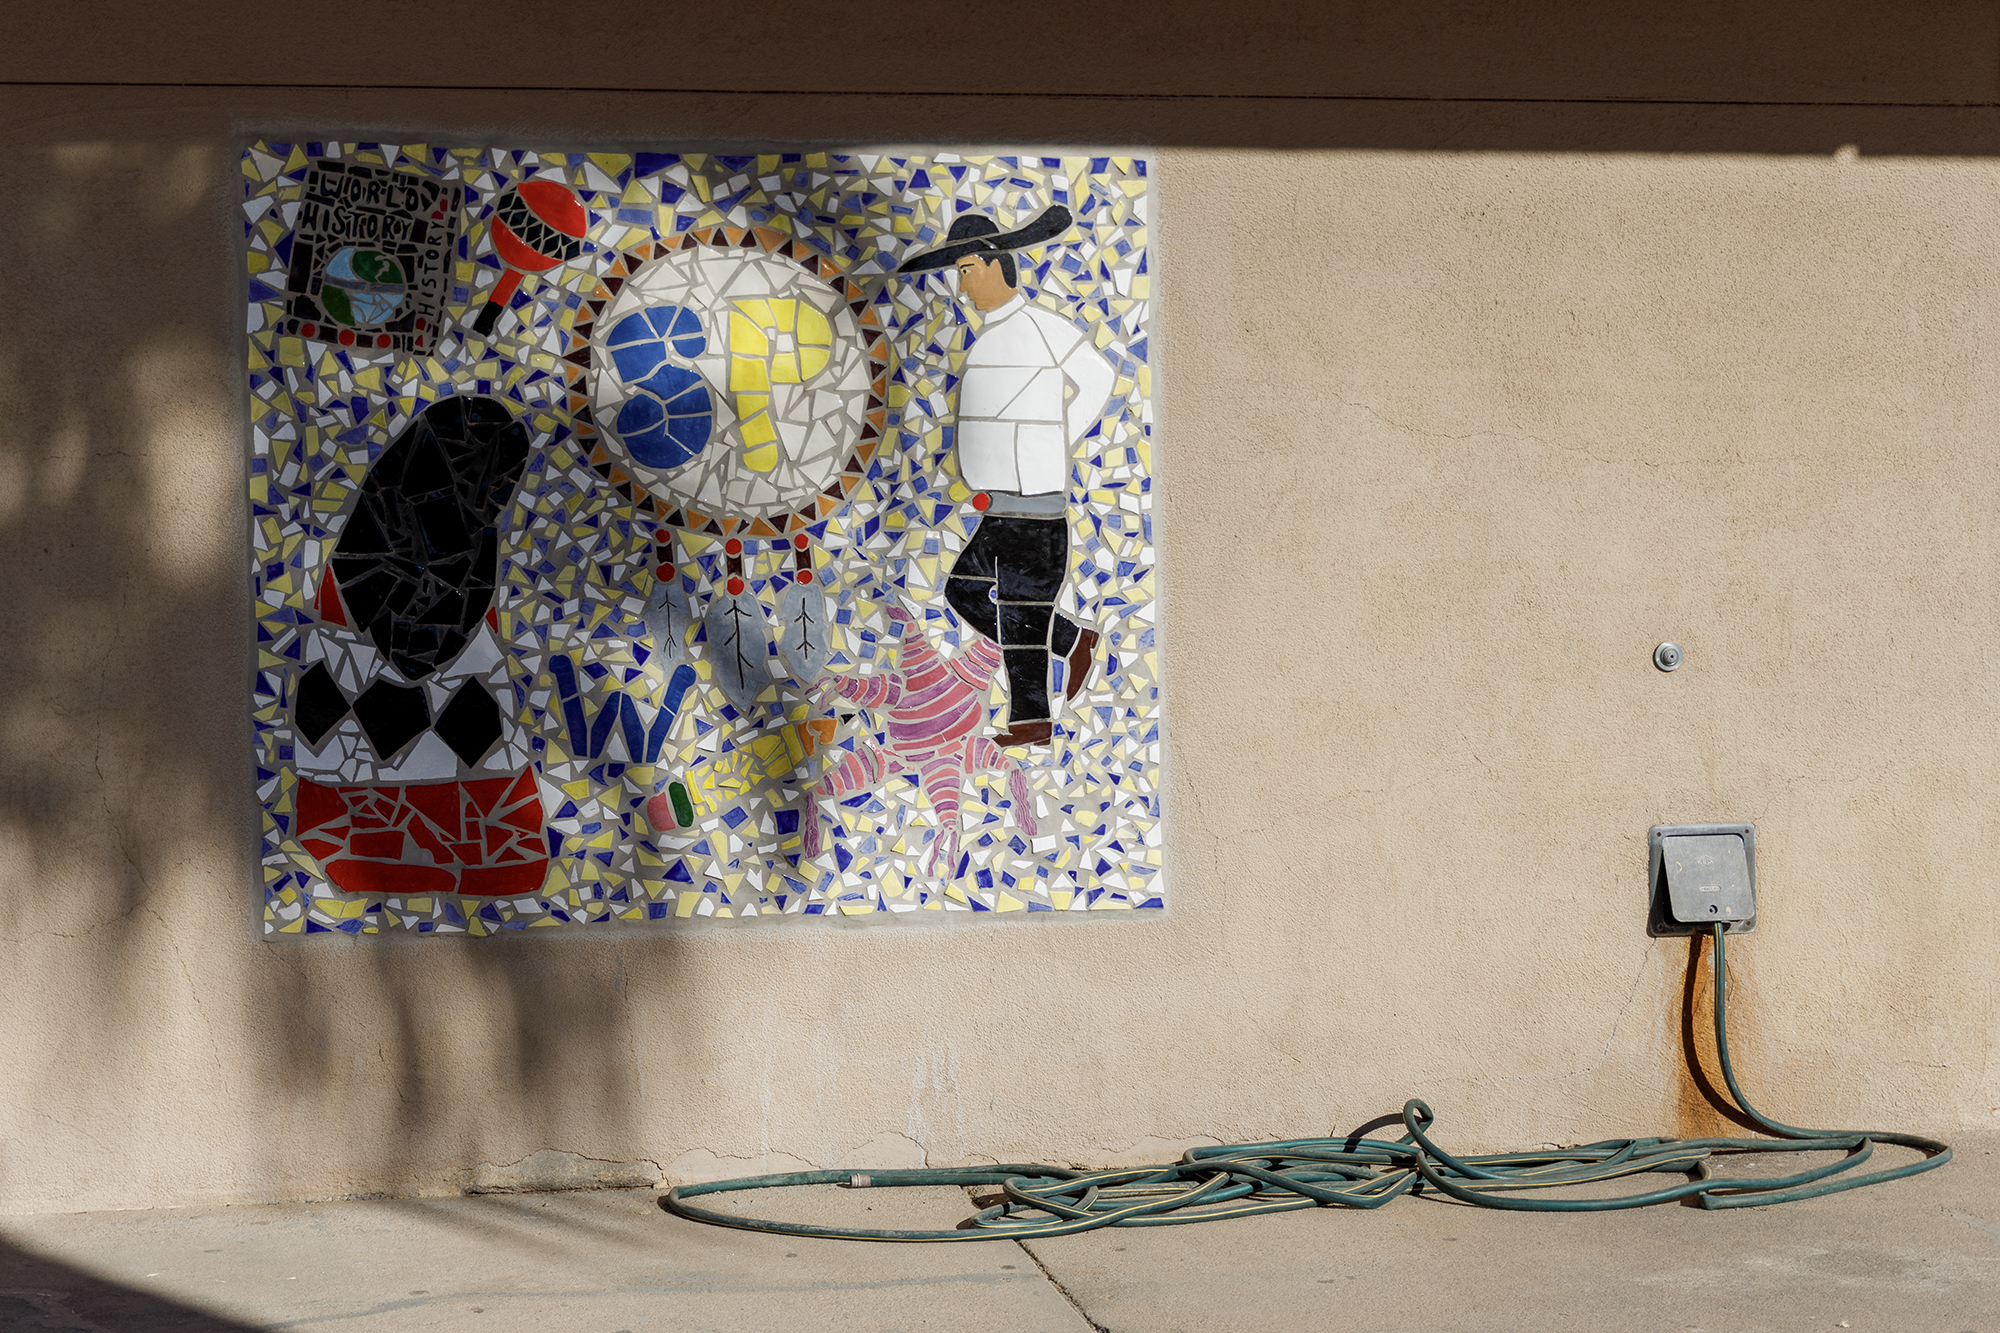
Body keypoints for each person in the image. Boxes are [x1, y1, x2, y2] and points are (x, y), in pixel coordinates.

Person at [896, 207, 1116, 746]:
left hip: (1034, 508)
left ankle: (1031, 723)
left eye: (966, 270)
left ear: (995, 266)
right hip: (999, 508)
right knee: (964, 590)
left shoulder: (1041, 327)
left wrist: (1052, 441)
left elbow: (1098, 375)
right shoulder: (989, 338)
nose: (961, 285)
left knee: (1019, 619)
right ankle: (1069, 640)